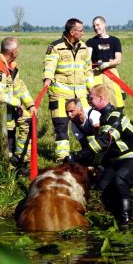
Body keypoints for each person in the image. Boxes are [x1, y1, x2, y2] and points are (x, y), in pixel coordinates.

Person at [66, 84, 133, 225]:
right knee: (101, 187)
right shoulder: (104, 116)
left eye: (90, 98)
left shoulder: (114, 117)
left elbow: (104, 141)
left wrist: (77, 156)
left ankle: (126, 220)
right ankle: (111, 215)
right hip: (116, 161)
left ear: (101, 98)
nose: (88, 100)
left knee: (119, 181)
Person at [0, 37, 36, 171]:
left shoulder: (11, 65)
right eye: (18, 49)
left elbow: (19, 87)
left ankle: (20, 159)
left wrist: (30, 105)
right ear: (14, 51)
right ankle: (8, 168)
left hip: (11, 108)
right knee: (7, 140)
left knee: (29, 122)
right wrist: (18, 104)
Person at [43, 18, 94, 161]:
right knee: (61, 127)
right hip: (59, 95)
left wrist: (93, 89)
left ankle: (90, 154)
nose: (83, 33)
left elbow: (88, 71)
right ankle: (62, 158)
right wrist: (47, 79)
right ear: (72, 32)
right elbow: (49, 66)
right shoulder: (55, 47)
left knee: (86, 125)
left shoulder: (84, 47)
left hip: (81, 95)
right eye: (81, 30)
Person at [86, 16, 126, 111]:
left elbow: (118, 59)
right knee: (97, 101)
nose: (96, 27)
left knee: (116, 99)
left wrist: (107, 64)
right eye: (94, 26)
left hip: (112, 74)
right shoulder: (91, 42)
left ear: (104, 24)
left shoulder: (115, 41)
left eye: (98, 25)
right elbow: (87, 59)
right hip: (96, 75)